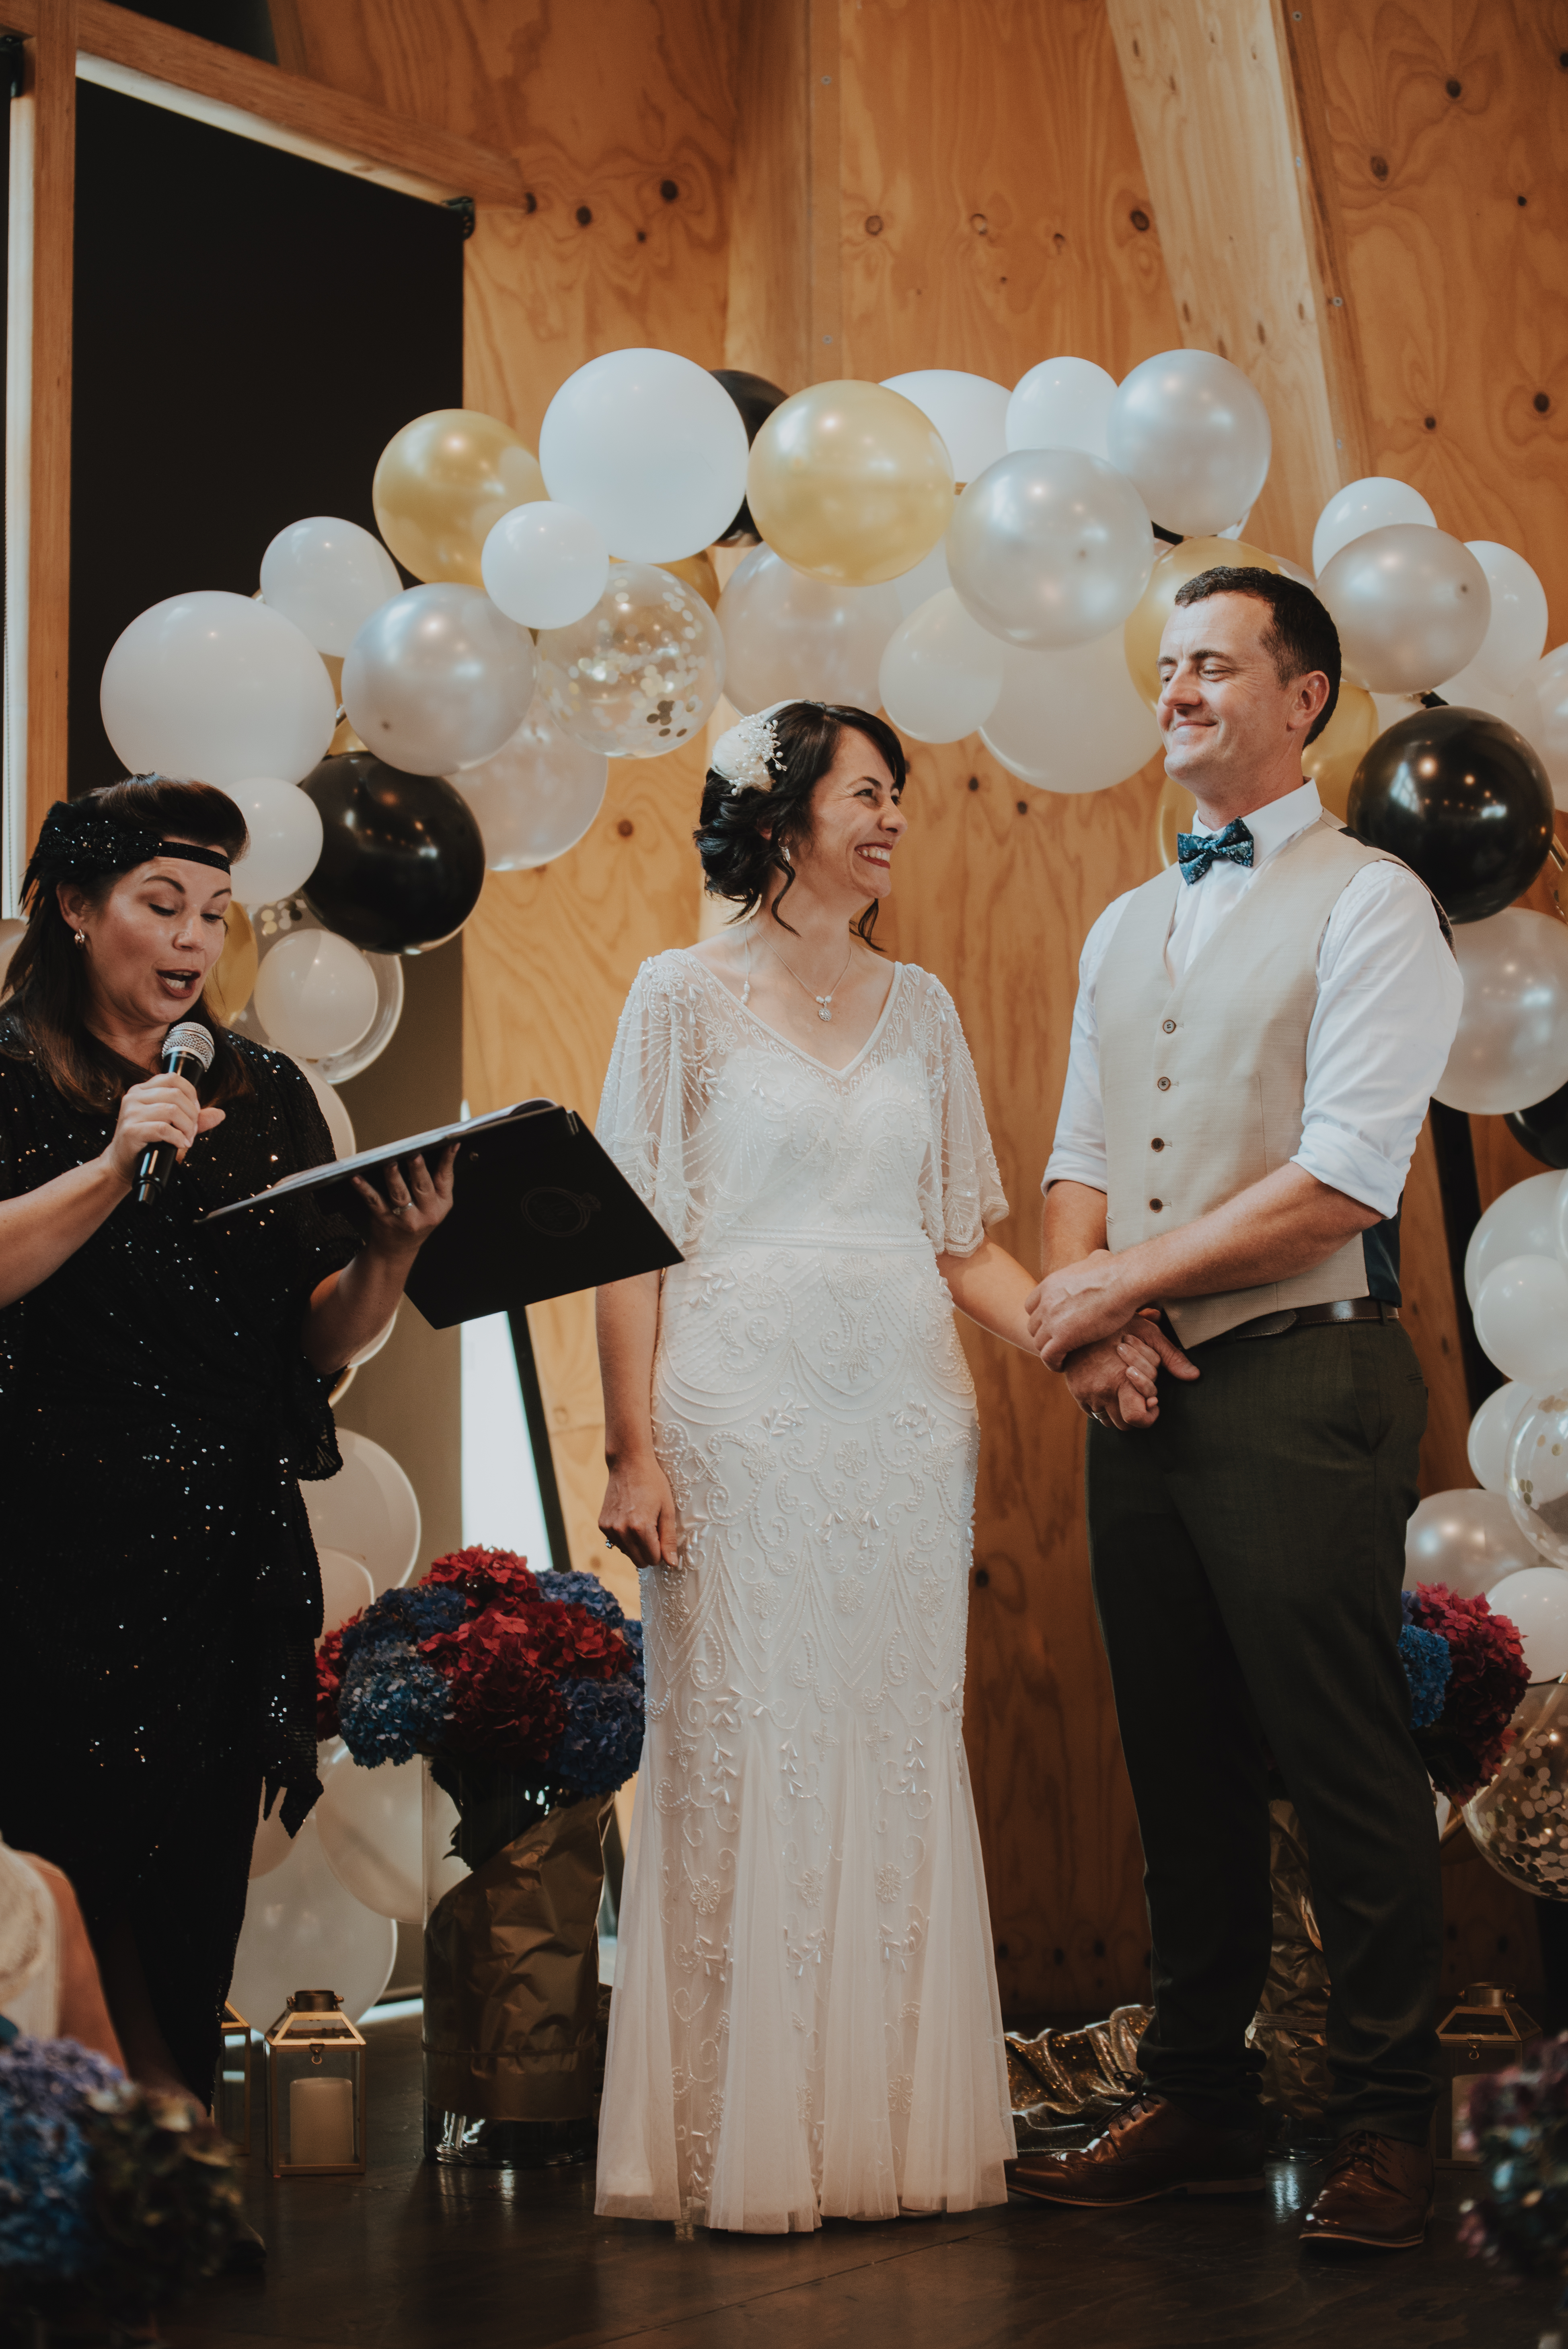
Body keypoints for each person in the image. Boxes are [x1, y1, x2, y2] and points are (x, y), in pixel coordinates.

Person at [1014, 568, 1463, 2251]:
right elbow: (1075, 1156)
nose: (1180, 688)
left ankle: (1389, 2126)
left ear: (1309, 698)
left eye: (1216, 663)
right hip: (1140, 1394)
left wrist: (1124, 1288)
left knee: (1344, 1757)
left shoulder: (1374, 904)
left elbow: (1344, 1175)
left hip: (1305, 1372)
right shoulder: (1128, 922)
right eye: (1167, 665)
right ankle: (1201, 2095)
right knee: (1176, 1759)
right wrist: (1084, 1328)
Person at [591, 701, 1047, 2233]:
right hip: (739, 1410)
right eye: (866, 792)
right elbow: (626, 1243)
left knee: (892, 1745)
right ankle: (742, 2137)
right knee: (747, 1748)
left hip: (906, 1418)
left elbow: (958, 1242)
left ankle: (893, 2133)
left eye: (898, 795)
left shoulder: (920, 1006)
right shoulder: (675, 996)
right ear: (780, 815)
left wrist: (1078, 1335)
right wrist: (631, 1448)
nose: (893, 817)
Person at [0, 777, 454, 2122]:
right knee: (67, 1862)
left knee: (191, 1873)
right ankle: (89, 2177)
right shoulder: (9, 1073)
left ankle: (170, 2148)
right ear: (77, 911)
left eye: (215, 912)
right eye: (160, 905)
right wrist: (110, 1161)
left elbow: (317, 1347)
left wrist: (390, 1256)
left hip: (219, 1546)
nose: (195, 940)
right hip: (44, 1544)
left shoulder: (262, 1094)